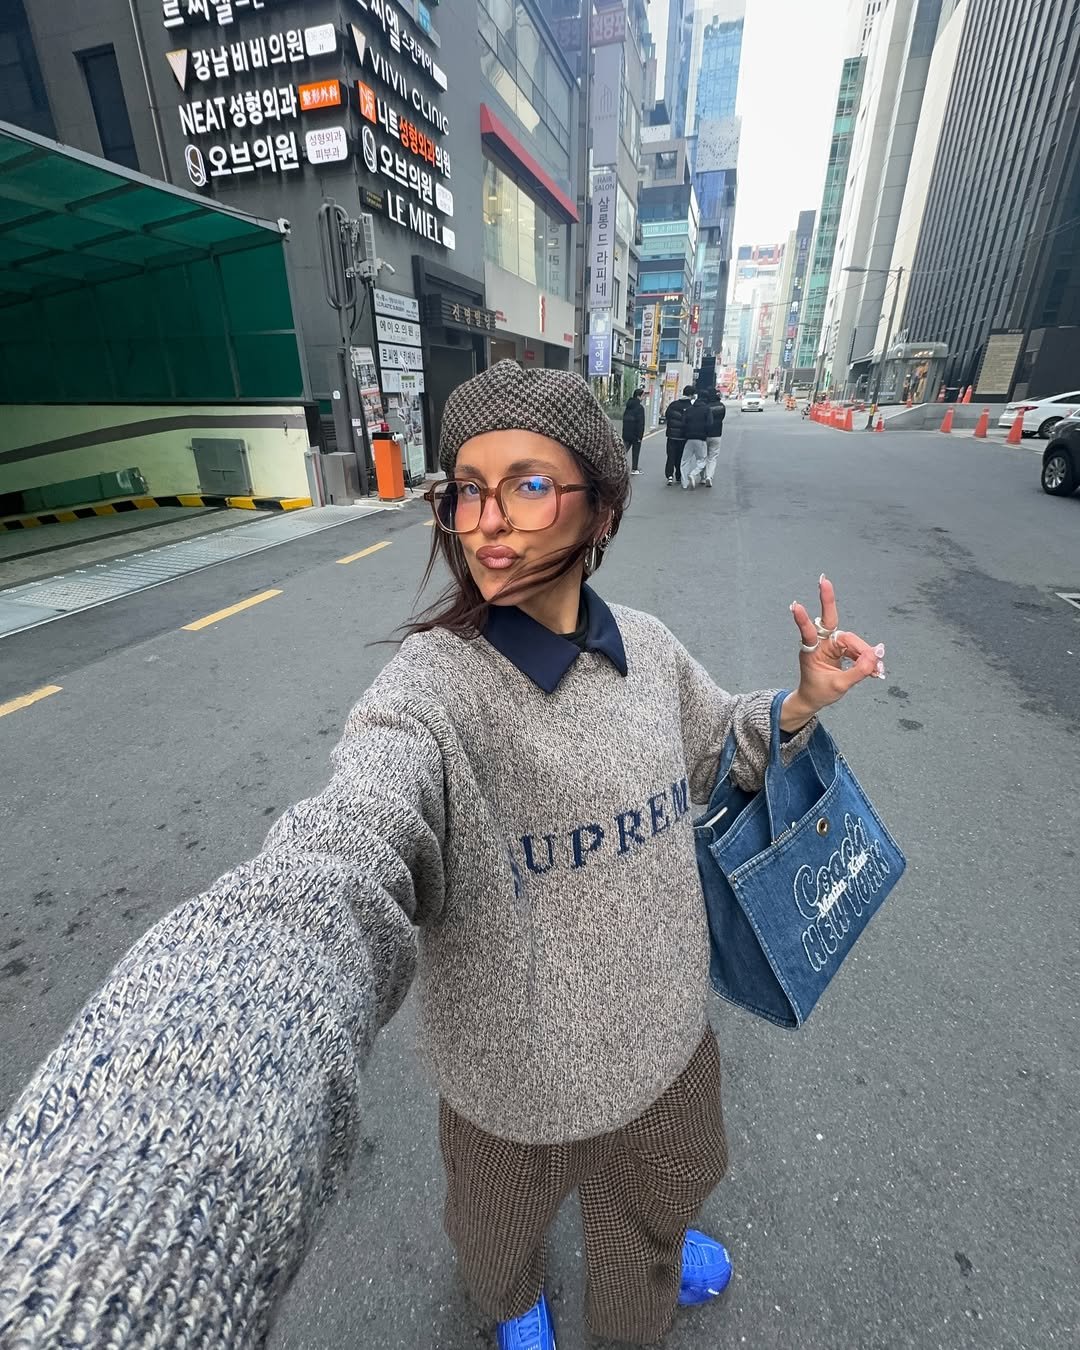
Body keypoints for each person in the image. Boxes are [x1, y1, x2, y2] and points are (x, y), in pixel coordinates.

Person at [0, 361, 885, 1350]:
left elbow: (719, 740)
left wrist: (798, 703)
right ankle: (512, 1304)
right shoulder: (428, 694)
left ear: (602, 510)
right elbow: (348, 852)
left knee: (657, 1209)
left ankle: (650, 1265)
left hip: (665, 1046)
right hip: (510, 1083)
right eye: (468, 488)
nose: (488, 521)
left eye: (529, 484)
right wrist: (203, 1075)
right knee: (496, 1235)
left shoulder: (647, 645)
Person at [663, 384, 696, 484]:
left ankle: (669, 476)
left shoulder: (673, 404)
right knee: (680, 457)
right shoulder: (691, 407)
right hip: (683, 437)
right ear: (691, 395)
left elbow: (667, 415)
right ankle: (678, 475)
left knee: (670, 456)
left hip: (671, 436)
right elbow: (691, 423)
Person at [680, 389, 711, 490]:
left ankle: (684, 483)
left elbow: (683, 423)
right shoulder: (707, 409)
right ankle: (693, 474)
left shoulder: (689, 409)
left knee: (685, 461)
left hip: (689, 439)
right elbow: (710, 424)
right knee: (702, 460)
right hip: (701, 439)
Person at [698, 386, 726, 488]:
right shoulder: (721, 406)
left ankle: (702, 478)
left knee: (703, 456)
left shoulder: (705, 407)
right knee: (712, 457)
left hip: (704, 434)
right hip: (717, 434)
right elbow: (722, 418)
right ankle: (709, 476)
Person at [622, 386, 646, 476]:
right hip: (636, 434)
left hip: (626, 433)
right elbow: (641, 423)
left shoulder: (628, 406)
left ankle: (617, 466)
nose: (643, 398)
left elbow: (625, 419)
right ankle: (634, 468)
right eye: (643, 396)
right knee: (635, 452)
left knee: (623, 451)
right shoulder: (640, 408)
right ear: (638, 396)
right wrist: (640, 436)